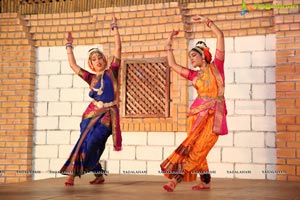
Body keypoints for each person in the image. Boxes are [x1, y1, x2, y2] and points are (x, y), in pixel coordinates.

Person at [160, 15, 228, 192]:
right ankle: (205, 180)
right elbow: (173, 65)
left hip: (214, 115)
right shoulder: (193, 75)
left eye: (193, 56)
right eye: (189, 57)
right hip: (195, 116)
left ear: (203, 55)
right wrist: (169, 43)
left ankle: (175, 179)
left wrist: (208, 21)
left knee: (200, 148)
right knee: (196, 148)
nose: (191, 59)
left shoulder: (216, 67)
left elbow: (220, 37)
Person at [59, 13, 122, 186]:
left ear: (105, 59)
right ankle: (87, 174)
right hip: (91, 114)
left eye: (100, 57)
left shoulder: (112, 72)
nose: (98, 61)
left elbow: (118, 49)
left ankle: (79, 170)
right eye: (94, 59)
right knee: (85, 142)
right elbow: (73, 66)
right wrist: (69, 44)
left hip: (109, 115)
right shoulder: (90, 78)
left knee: (94, 142)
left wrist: (115, 28)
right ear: (91, 64)